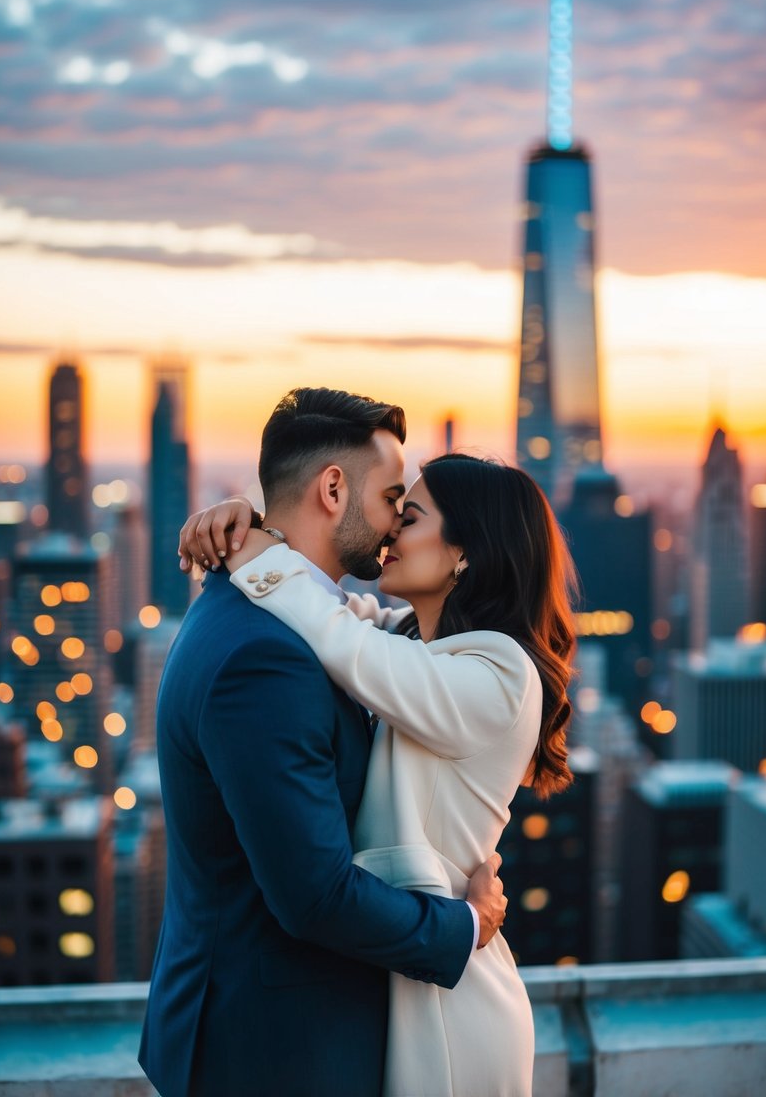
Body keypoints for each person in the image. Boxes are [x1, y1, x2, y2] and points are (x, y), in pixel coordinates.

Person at [139, 388, 507, 1097]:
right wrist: (464, 925)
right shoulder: (267, 655)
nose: (398, 522)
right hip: (276, 1053)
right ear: (332, 489)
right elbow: (314, 896)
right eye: (393, 497)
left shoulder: (276, 615)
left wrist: (251, 537)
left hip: (263, 1035)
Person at [181, 450, 577, 1097]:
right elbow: (331, 609)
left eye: (410, 515)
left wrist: (253, 546)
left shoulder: (500, 674)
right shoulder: (418, 646)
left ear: (464, 551)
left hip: (454, 1002)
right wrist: (249, 525)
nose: (390, 529)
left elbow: (338, 637)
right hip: (413, 962)